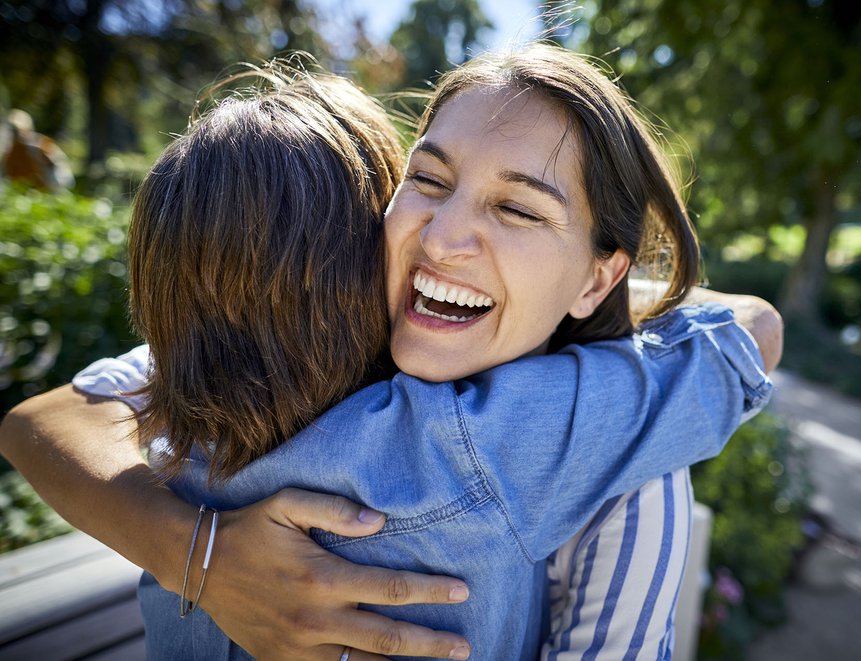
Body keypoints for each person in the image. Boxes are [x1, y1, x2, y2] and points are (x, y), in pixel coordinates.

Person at [0, 47, 781, 659]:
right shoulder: (339, 340)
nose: (441, 239)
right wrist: (200, 556)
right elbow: (50, 417)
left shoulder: (631, 479)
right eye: (429, 179)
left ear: (602, 272)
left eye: (516, 207)